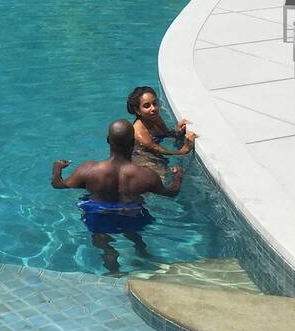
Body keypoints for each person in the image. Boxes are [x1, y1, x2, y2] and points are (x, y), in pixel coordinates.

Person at [51, 119, 183, 274]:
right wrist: (178, 177)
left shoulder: (88, 169)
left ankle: (111, 263)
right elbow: (171, 193)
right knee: (134, 233)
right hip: (132, 216)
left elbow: (58, 185)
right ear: (133, 142)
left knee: (100, 236)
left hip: (98, 215)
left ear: (108, 140)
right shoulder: (146, 175)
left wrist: (57, 169)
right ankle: (141, 252)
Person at [126, 85, 195, 173]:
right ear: (137, 110)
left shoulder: (155, 117)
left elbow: (166, 133)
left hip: (155, 153)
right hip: (143, 158)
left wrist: (178, 131)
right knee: (172, 177)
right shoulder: (139, 132)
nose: (153, 108)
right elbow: (155, 148)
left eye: (155, 103)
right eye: (147, 106)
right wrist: (182, 151)